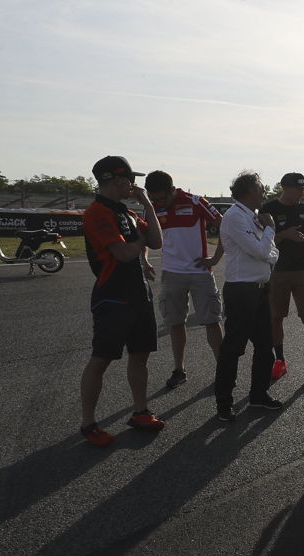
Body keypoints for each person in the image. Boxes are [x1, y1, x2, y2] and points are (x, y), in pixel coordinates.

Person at [78, 155, 166, 447]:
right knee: (100, 361)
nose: (134, 185)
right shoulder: (96, 212)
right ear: (115, 179)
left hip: (139, 293)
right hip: (112, 298)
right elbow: (125, 254)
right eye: (130, 179)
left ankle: (140, 411)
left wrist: (149, 206)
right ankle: (89, 424)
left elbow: (156, 241)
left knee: (140, 355)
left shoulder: (127, 213)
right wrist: (139, 244)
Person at [145, 170, 224, 390]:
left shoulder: (196, 201)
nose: (157, 202)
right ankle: (179, 369)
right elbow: (145, 236)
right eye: (153, 198)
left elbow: (225, 226)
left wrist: (215, 258)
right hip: (171, 274)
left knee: (211, 320)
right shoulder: (151, 207)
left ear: (172, 190)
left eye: (160, 198)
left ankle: (223, 368)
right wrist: (145, 260)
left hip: (200, 273)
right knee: (175, 323)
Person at [213, 171, 282, 421]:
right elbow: (259, 250)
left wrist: (267, 246)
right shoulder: (234, 217)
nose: (265, 193)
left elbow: (272, 253)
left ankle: (258, 395)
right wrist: (271, 231)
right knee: (233, 349)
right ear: (249, 191)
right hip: (241, 291)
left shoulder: (253, 217)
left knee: (265, 347)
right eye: (262, 189)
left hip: (260, 290)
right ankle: (224, 403)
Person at [260, 172, 304, 386]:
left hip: (302, 269)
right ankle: (279, 360)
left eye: (303, 189)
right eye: (298, 189)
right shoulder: (269, 209)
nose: (301, 193)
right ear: (285, 187)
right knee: (276, 317)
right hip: (277, 270)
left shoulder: (303, 209)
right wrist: (284, 235)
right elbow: (261, 241)